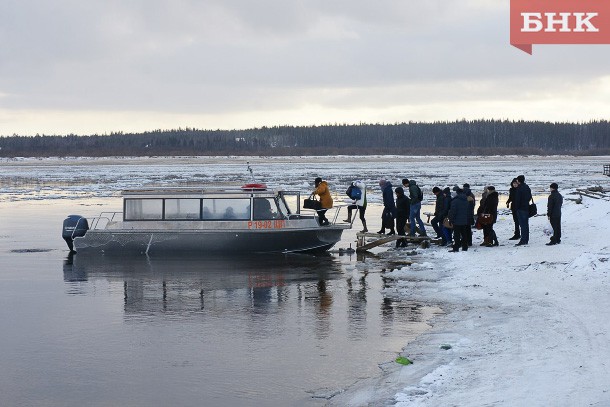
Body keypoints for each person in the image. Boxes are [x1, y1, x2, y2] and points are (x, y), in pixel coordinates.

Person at [448, 186, 469, 252]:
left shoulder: (455, 201)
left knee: (456, 235)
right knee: (464, 234)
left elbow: (453, 212)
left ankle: (456, 248)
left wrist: (450, 219)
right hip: (464, 220)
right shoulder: (466, 200)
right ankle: (465, 247)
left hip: (457, 220)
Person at [513, 174, 532, 246]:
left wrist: (516, 207)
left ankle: (523, 240)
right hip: (526, 207)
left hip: (521, 209)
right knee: (526, 225)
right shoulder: (527, 187)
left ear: (518, 181)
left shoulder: (519, 188)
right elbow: (529, 197)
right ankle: (526, 239)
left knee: (522, 225)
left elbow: (517, 199)